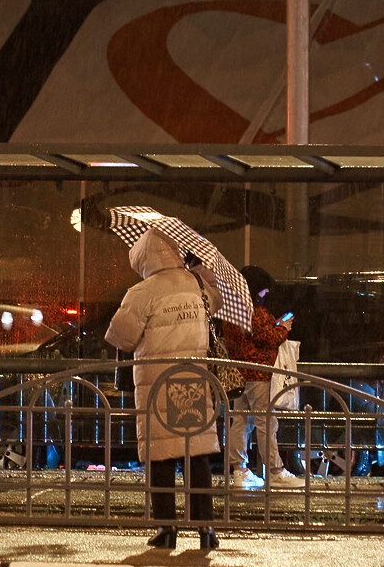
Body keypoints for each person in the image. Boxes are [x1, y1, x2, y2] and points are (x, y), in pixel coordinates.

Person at [105, 229, 223, 550]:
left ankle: (166, 528)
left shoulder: (142, 291)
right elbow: (215, 302)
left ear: (144, 258)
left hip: (157, 383)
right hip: (192, 380)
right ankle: (206, 529)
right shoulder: (196, 284)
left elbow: (121, 337)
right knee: (195, 454)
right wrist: (202, 271)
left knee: (160, 456)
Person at [223, 265, 304, 489]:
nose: (266, 292)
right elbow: (265, 337)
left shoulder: (232, 308)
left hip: (240, 373)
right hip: (259, 373)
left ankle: (239, 470)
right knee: (266, 423)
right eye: (264, 288)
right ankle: (275, 471)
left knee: (240, 422)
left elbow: (251, 335)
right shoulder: (253, 310)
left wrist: (274, 325)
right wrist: (283, 328)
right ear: (254, 287)